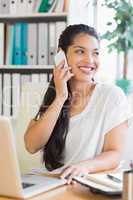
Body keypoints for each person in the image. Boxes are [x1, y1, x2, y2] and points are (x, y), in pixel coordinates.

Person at [24, 24, 131, 184]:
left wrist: (84, 167)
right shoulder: (48, 95)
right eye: (80, 51)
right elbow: (32, 145)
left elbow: (114, 153)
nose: (90, 60)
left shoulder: (111, 95)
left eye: (95, 53)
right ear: (61, 56)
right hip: (48, 181)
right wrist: (60, 98)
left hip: (82, 181)